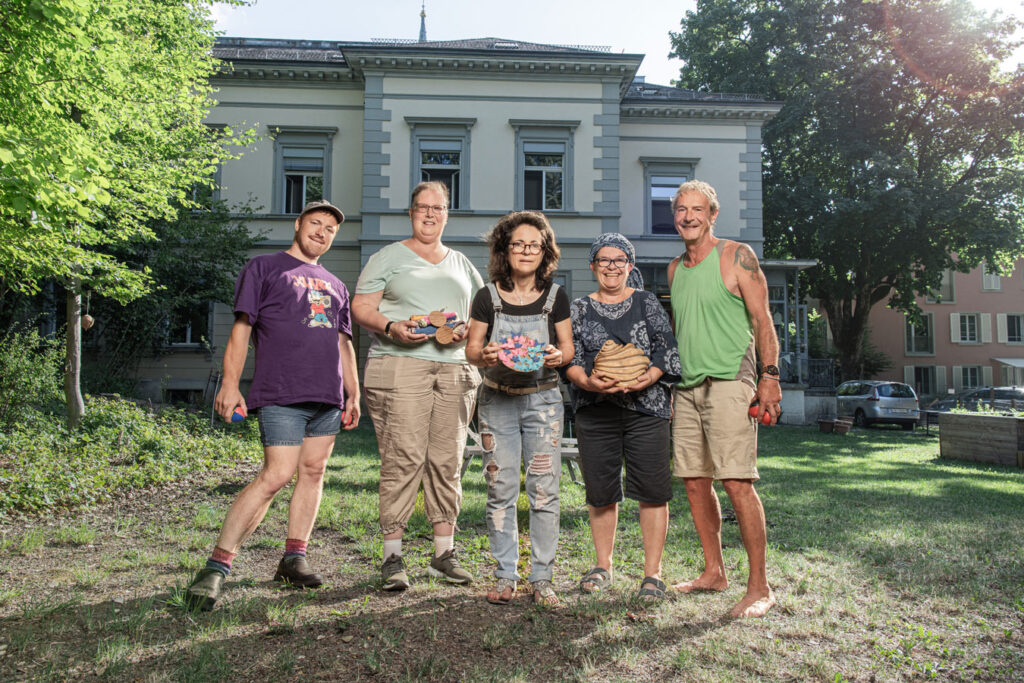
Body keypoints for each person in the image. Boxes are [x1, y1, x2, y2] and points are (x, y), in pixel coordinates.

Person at [185, 200, 361, 611]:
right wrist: (230, 385)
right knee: (277, 474)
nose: (322, 232)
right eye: (315, 223)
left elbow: (343, 342)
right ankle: (216, 567)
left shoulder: (336, 284)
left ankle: (293, 558)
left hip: (327, 398)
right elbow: (241, 331)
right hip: (282, 391)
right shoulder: (264, 268)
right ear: (298, 225)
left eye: (330, 228)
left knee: (313, 472)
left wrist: (353, 392)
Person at [352, 181, 483, 591]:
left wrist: (465, 330)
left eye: (438, 208)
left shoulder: (462, 263)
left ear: (448, 214)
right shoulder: (389, 257)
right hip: (400, 366)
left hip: (455, 372)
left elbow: (482, 315)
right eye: (422, 207)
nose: (430, 214)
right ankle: (393, 558)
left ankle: (443, 554)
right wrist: (392, 326)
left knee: (448, 461)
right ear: (411, 212)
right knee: (404, 459)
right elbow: (361, 307)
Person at [668, 179, 780, 618]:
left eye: (697, 209)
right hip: (688, 388)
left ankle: (760, 587)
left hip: (732, 383)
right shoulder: (676, 269)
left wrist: (769, 377)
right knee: (695, 483)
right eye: (681, 209)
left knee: (737, 482)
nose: (688, 216)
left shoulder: (737, 256)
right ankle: (714, 572)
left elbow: (763, 319)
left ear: (713, 215)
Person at [465, 211, 573, 606]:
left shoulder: (556, 296)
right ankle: (505, 575)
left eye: (534, 245)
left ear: (544, 251)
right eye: (518, 244)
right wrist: (486, 353)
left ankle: (542, 577)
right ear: (504, 249)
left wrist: (556, 355)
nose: (526, 251)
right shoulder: (486, 296)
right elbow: (472, 350)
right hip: (497, 400)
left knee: (545, 491)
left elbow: (568, 350)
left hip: (543, 401)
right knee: (501, 488)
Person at [565, 233, 681, 601]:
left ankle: (653, 574)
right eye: (604, 259)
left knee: (652, 490)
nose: (611, 266)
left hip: (647, 409)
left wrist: (649, 377)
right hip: (595, 410)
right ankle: (603, 566)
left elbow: (667, 348)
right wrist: (589, 381)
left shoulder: (647, 302)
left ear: (630, 267)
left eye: (619, 260)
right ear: (592, 266)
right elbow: (570, 356)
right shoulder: (580, 308)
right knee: (600, 491)